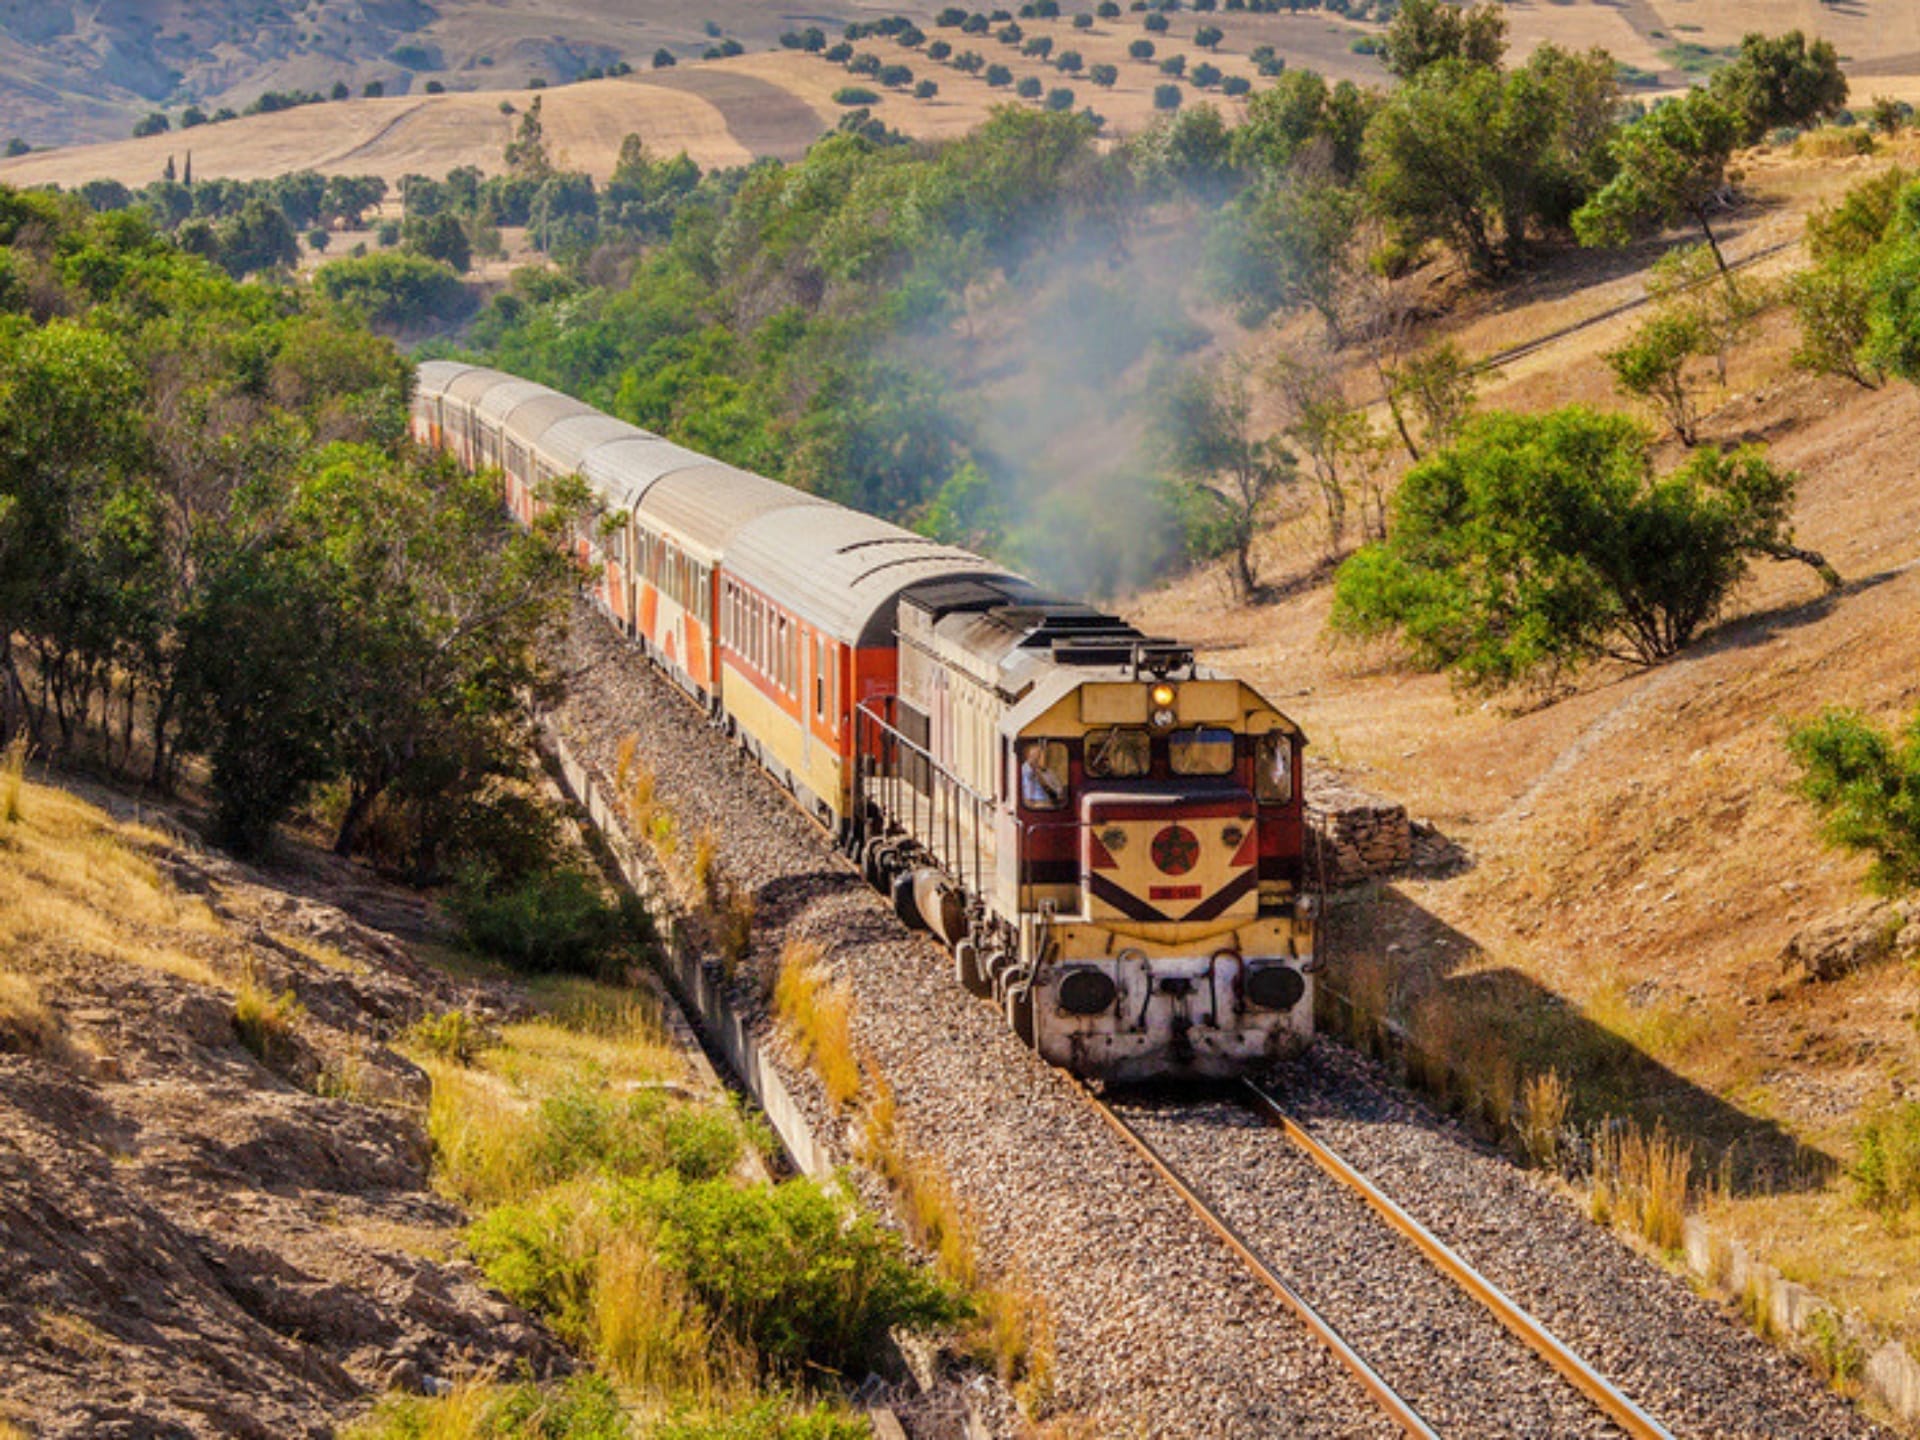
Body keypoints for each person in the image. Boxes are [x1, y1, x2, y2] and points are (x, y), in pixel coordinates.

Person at [1020, 740, 1065, 809]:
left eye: (1040, 756)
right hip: (1027, 804)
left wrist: (1048, 788)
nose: (1038, 759)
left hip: (1045, 803)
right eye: (1034, 756)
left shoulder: (1049, 773)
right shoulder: (1023, 770)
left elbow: (1059, 791)